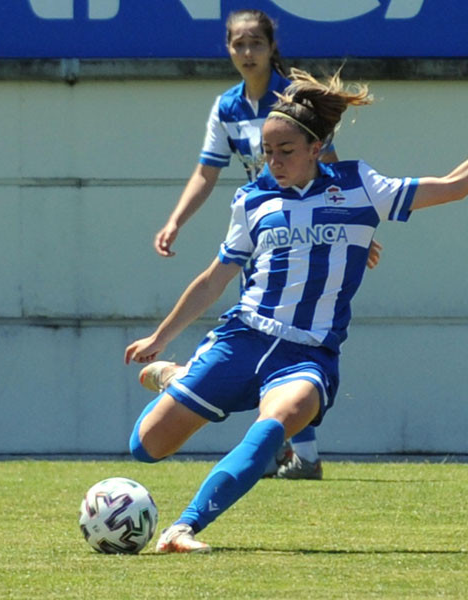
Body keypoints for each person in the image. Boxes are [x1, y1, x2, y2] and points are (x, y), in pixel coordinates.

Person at [124, 69, 468, 553]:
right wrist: (159, 338)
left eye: (285, 151)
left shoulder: (359, 186)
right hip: (242, 339)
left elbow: (455, 185)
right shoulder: (252, 199)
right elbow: (213, 279)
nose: (274, 162)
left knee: (275, 425)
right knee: (146, 448)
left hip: (308, 355)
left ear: (317, 146)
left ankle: (184, 528)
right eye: (267, 153)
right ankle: (176, 373)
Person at [143, 9, 380, 479]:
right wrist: (175, 221)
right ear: (228, 49)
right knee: (264, 334)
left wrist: (356, 225)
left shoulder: (290, 97)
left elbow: (326, 162)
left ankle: (300, 453)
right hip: (266, 229)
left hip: (308, 225)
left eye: (256, 43)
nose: (247, 53)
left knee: (290, 336)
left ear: (272, 47)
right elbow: (206, 172)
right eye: (238, 44)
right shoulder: (227, 107)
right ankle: (286, 449)